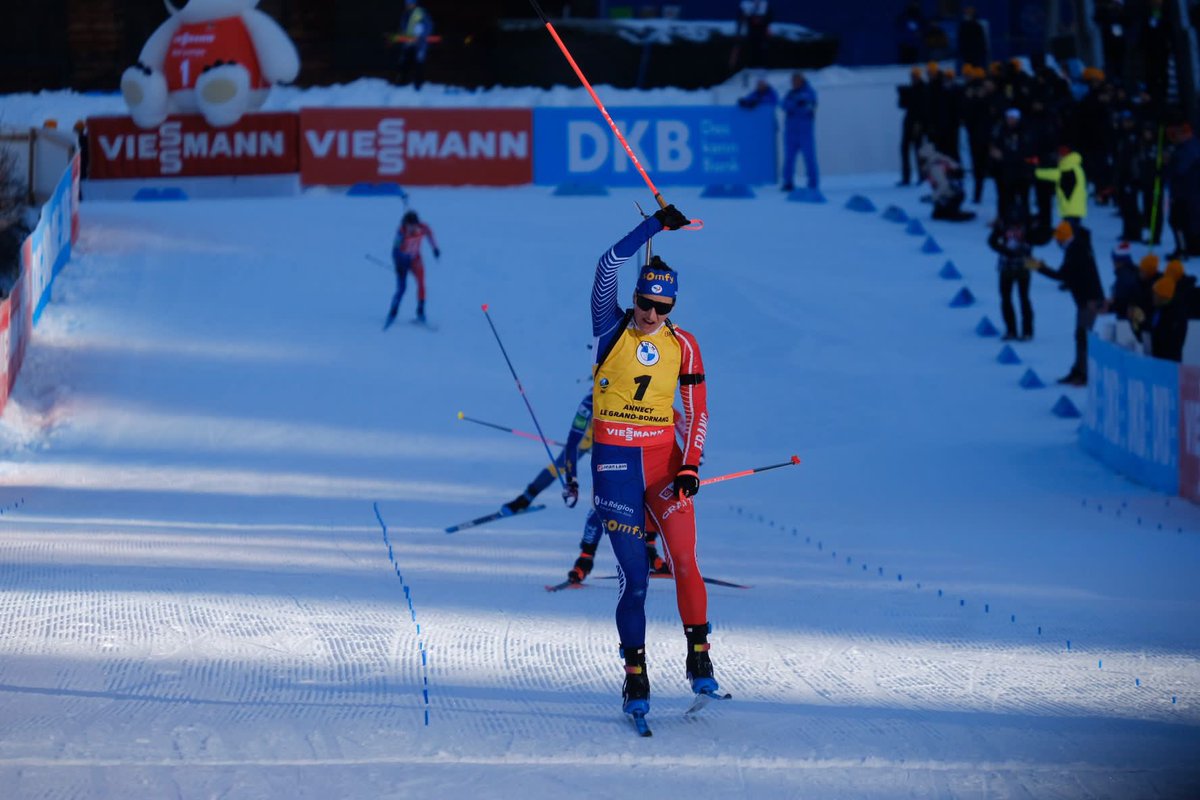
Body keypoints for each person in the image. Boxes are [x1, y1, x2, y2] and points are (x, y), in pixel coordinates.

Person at [588, 202, 717, 718]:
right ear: (636, 298)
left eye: (662, 308)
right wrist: (652, 227)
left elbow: (696, 409)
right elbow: (605, 267)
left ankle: (699, 657)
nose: (651, 316)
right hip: (615, 464)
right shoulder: (610, 328)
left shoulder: (682, 345)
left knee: (685, 557)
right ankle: (635, 675)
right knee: (635, 577)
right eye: (645, 303)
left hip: (663, 463)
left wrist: (690, 465)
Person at [500, 391, 670, 585]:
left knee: (647, 492)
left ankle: (649, 549)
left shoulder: (636, 394)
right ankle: (528, 499)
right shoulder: (590, 402)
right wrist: (571, 482)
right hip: (594, 441)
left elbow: (670, 420)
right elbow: (572, 445)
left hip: (625, 446)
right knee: (586, 487)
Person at [1027, 221, 1104, 385]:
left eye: (1057, 239)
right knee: (1080, 335)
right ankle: (1078, 370)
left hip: (1088, 301)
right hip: (1086, 299)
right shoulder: (1078, 245)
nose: (1056, 242)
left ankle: (1082, 374)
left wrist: (1039, 267)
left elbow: (1061, 275)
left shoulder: (1075, 250)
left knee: (1082, 336)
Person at [384, 209, 439, 329]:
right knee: (402, 288)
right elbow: (395, 251)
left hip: (415, 259)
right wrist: (398, 265)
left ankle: (420, 312)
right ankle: (393, 312)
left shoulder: (423, 228)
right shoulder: (401, 233)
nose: (412, 228)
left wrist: (435, 248)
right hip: (402, 261)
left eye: (413, 225)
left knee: (421, 284)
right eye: (409, 226)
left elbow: (430, 235)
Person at [988, 200, 1034, 340]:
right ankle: (1012, 330)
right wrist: (1006, 251)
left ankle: (1026, 331)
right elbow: (991, 241)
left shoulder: (1028, 227)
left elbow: (1037, 240)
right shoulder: (1003, 225)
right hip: (1007, 267)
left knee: (1022, 299)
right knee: (1008, 299)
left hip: (1023, 266)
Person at [780, 72, 818, 193]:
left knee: (809, 158)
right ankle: (788, 182)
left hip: (805, 132)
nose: (794, 83)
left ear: (801, 80)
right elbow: (783, 104)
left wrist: (797, 103)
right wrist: (795, 103)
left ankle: (813, 184)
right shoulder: (790, 93)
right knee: (789, 159)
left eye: (796, 81)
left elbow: (809, 102)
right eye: (792, 81)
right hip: (791, 132)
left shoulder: (809, 92)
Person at [919, 142, 975, 221]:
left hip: (953, 194)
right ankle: (947, 210)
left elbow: (944, 185)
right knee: (937, 215)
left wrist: (934, 197)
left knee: (948, 215)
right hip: (949, 193)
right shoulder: (938, 159)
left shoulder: (935, 167)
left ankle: (954, 211)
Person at [1035, 147, 1088, 230]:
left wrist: (1036, 172)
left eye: (1059, 156)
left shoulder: (1069, 169)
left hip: (1071, 209)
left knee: (1070, 237)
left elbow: (1055, 174)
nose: (1057, 158)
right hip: (1075, 208)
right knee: (1073, 235)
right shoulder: (1076, 167)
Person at [897, 67, 928, 186]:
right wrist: (902, 95)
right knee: (905, 149)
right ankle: (906, 177)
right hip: (909, 123)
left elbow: (924, 108)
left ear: (919, 76)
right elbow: (902, 105)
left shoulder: (923, 89)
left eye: (915, 76)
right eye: (912, 76)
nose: (913, 78)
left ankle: (922, 176)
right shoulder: (912, 89)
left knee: (918, 151)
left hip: (917, 124)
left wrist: (921, 124)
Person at [396, 0, 433, 90]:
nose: (408, 5)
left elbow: (428, 26)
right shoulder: (406, 14)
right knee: (405, 64)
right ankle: (402, 84)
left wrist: (421, 34)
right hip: (408, 44)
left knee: (418, 65)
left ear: (415, 3)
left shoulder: (420, 12)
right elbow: (404, 28)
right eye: (407, 4)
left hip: (419, 45)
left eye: (410, 3)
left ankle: (418, 86)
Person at [732, 0, 772, 71]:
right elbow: (741, 17)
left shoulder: (764, 3)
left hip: (761, 31)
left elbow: (769, 16)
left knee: (761, 50)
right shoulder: (744, 4)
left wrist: (762, 21)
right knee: (749, 49)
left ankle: (761, 66)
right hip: (749, 31)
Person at [956, 6, 989, 73]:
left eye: (968, 13)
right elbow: (961, 40)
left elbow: (981, 40)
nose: (966, 14)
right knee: (969, 69)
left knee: (975, 69)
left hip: (974, 54)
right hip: (968, 54)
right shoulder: (964, 25)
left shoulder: (976, 25)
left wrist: (983, 50)